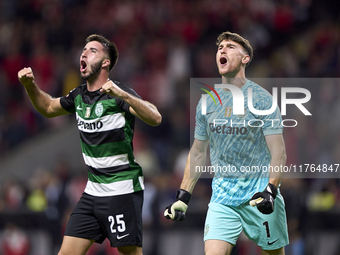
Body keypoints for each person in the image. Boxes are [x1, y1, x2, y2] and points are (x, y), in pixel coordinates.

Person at [18, 34, 162, 255]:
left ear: (106, 62)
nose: (84, 53)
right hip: (92, 192)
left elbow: (155, 117)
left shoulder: (118, 95)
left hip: (121, 190)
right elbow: (47, 108)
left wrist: (123, 94)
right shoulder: (78, 96)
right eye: (83, 50)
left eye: (92, 50)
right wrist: (30, 85)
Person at [164, 31, 289, 255]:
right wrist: (183, 196)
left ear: (245, 59)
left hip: (258, 195)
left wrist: (271, 189)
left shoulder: (263, 100)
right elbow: (198, 152)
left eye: (230, 47)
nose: (222, 49)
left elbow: (278, 152)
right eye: (220, 47)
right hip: (222, 199)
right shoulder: (207, 102)